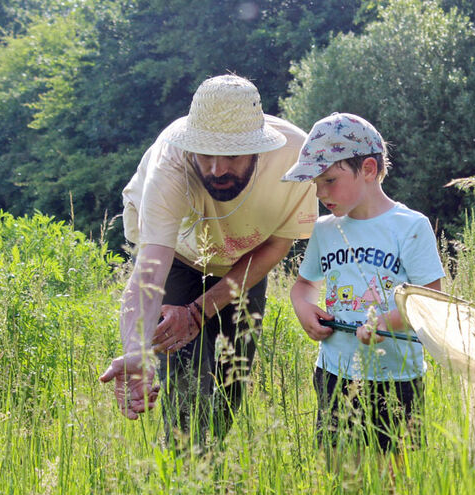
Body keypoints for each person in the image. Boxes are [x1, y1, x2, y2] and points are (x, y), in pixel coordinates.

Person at [99, 75, 317, 449]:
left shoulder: (297, 156)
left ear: (257, 150)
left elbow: (277, 246)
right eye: (206, 153)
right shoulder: (170, 161)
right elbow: (151, 267)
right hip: (180, 258)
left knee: (234, 380)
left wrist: (200, 312)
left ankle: (211, 473)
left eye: (231, 155)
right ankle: (183, 477)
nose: (216, 169)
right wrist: (136, 349)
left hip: (247, 260)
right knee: (185, 389)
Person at [285, 113, 444, 455]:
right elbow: (303, 285)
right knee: (340, 472)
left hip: (396, 378)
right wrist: (304, 309)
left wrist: (386, 321)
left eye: (330, 181)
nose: (321, 193)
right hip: (334, 373)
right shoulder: (324, 230)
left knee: (393, 478)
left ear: (369, 170)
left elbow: (431, 301)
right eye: (315, 184)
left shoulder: (410, 226)